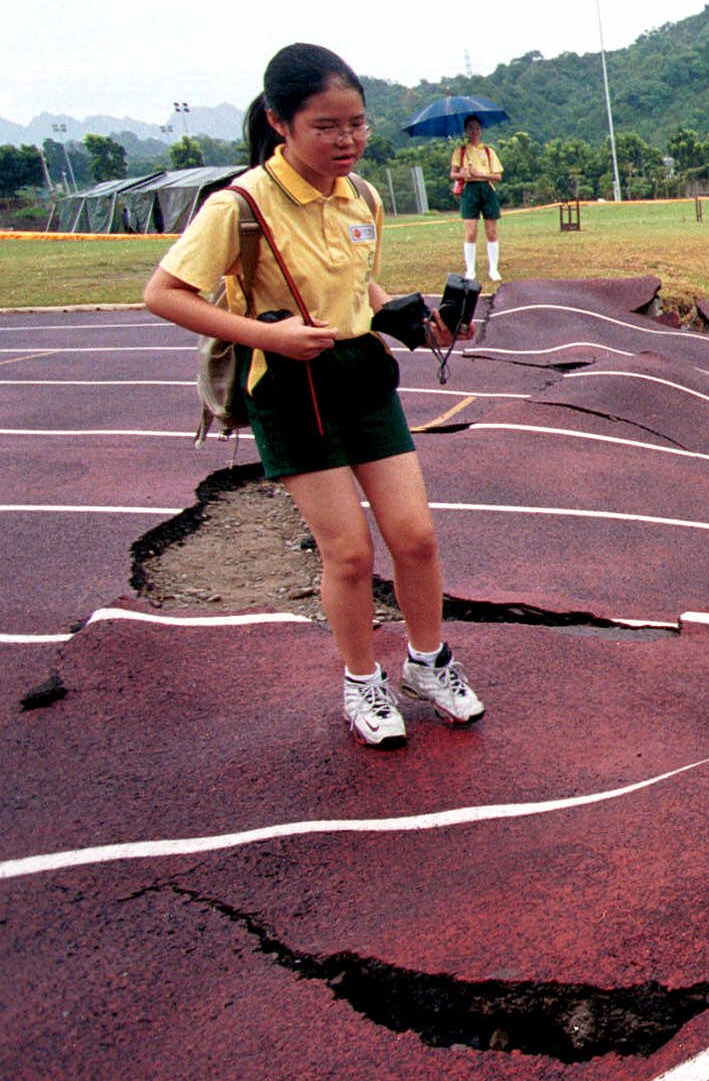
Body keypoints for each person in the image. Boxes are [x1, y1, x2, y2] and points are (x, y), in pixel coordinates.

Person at [142, 43, 483, 749]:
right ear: (279, 122)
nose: (347, 140)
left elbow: (359, 287)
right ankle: (363, 680)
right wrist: (268, 338)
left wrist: (418, 320)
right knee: (350, 554)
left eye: (356, 124)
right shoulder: (238, 206)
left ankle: (428, 663)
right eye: (327, 127)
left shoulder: (363, 195)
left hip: (360, 375)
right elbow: (163, 294)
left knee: (415, 538)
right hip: (291, 388)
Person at [450, 114, 503, 284]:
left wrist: (481, 174)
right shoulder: (461, 151)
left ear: (481, 130)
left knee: (491, 231)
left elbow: (498, 176)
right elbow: (453, 173)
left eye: (477, 128)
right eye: (471, 128)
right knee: (471, 232)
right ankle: (470, 269)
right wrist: (463, 174)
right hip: (469, 190)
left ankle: (493, 269)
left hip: (486, 189)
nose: (474, 131)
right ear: (466, 130)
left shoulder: (488, 151)